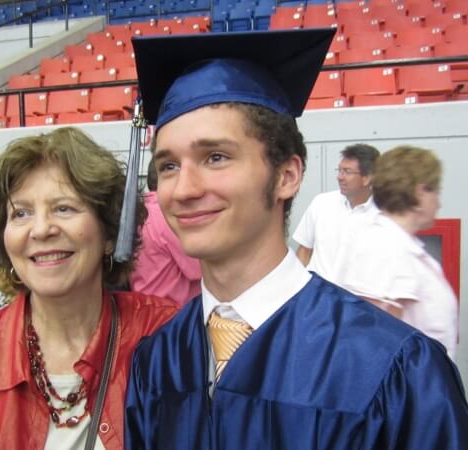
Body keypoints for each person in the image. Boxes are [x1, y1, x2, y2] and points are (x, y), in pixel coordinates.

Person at [124, 30, 468, 449]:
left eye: (215, 157)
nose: (183, 189)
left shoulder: (392, 366)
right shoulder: (157, 360)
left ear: (287, 175)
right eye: (169, 166)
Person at [0, 127, 177, 449]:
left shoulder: (164, 337)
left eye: (64, 208)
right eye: (20, 213)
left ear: (109, 232)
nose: (40, 230)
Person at [334, 146, 458, 360]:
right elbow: (369, 346)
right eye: (436, 191)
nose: (439, 202)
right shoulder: (384, 247)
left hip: (427, 381)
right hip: (411, 388)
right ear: (420, 192)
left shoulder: (401, 246)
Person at [293, 143, 380, 281]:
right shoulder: (321, 203)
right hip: (316, 293)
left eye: (347, 172)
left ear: (367, 178)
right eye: (339, 170)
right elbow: (304, 251)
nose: (340, 177)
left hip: (357, 297)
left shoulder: (384, 215)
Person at [130, 159, 201, 306]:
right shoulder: (166, 216)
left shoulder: (138, 213)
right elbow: (198, 269)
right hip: (171, 313)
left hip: (143, 306)